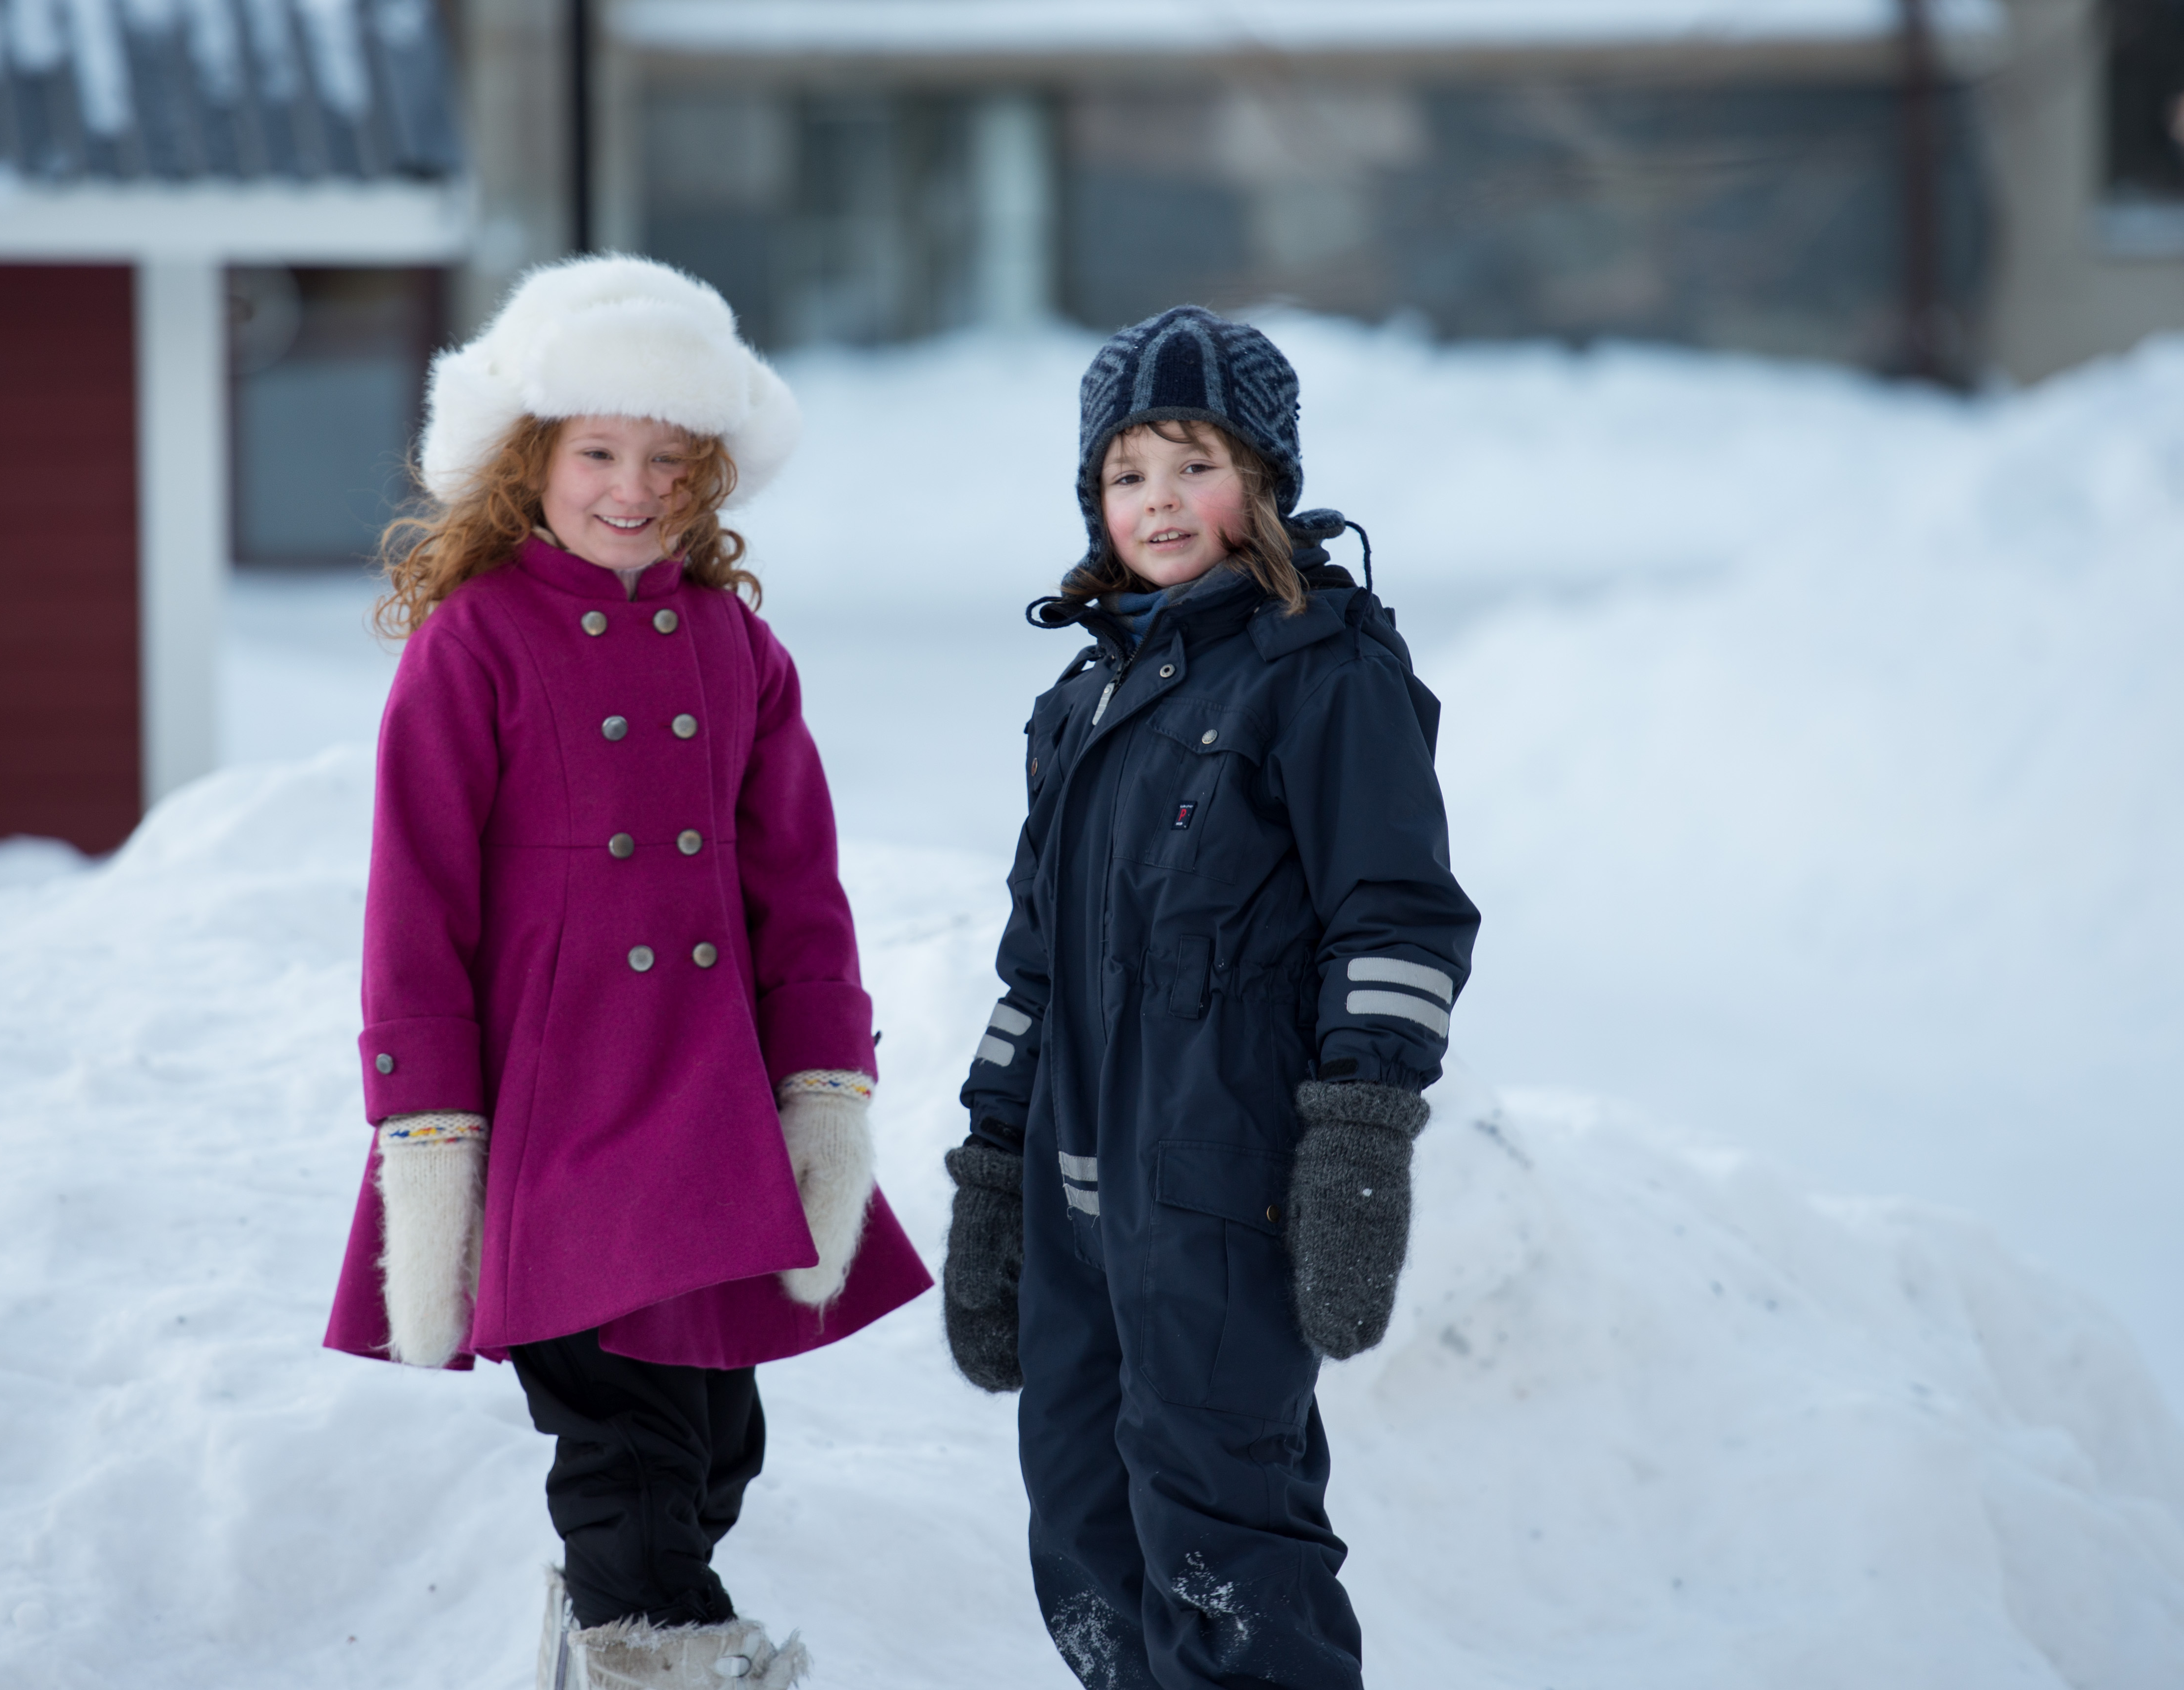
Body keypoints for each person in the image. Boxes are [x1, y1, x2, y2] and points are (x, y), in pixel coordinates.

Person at [320, 254, 933, 1690]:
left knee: (721, 1427)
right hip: (563, 1100)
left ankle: (607, 1627)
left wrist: (823, 1079)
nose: (633, 486)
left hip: (707, 1093)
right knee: (630, 1419)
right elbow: (415, 899)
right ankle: (651, 1646)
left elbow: (797, 886)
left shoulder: (736, 649)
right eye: (599, 451)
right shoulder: (473, 644)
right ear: (527, 458)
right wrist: (426, 1120)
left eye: (669, 458)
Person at [941, 306, 1481, 1690]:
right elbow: (1036, 970)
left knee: (1225, 1546)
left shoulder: (1326, 677)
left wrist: (1360, 1142)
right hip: (1074, 1202)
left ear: (1265, 482)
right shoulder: (1080, 708)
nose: (1161, 502)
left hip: (1221, 1191)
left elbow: (1397, 919)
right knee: (1084, 1532)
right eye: (1128, 475)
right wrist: (992, 1170)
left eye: (1195, 465)